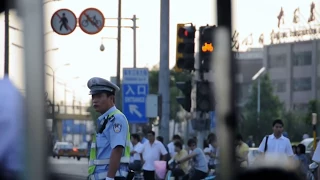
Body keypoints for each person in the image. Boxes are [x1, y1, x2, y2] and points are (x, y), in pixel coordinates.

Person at [87, 77, 131, 180]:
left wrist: (110, 178)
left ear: (111, 98)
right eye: (93, 96)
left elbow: (117, 149)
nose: (94, 100)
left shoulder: (116, 119)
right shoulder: (105, 120)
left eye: (99, 96)